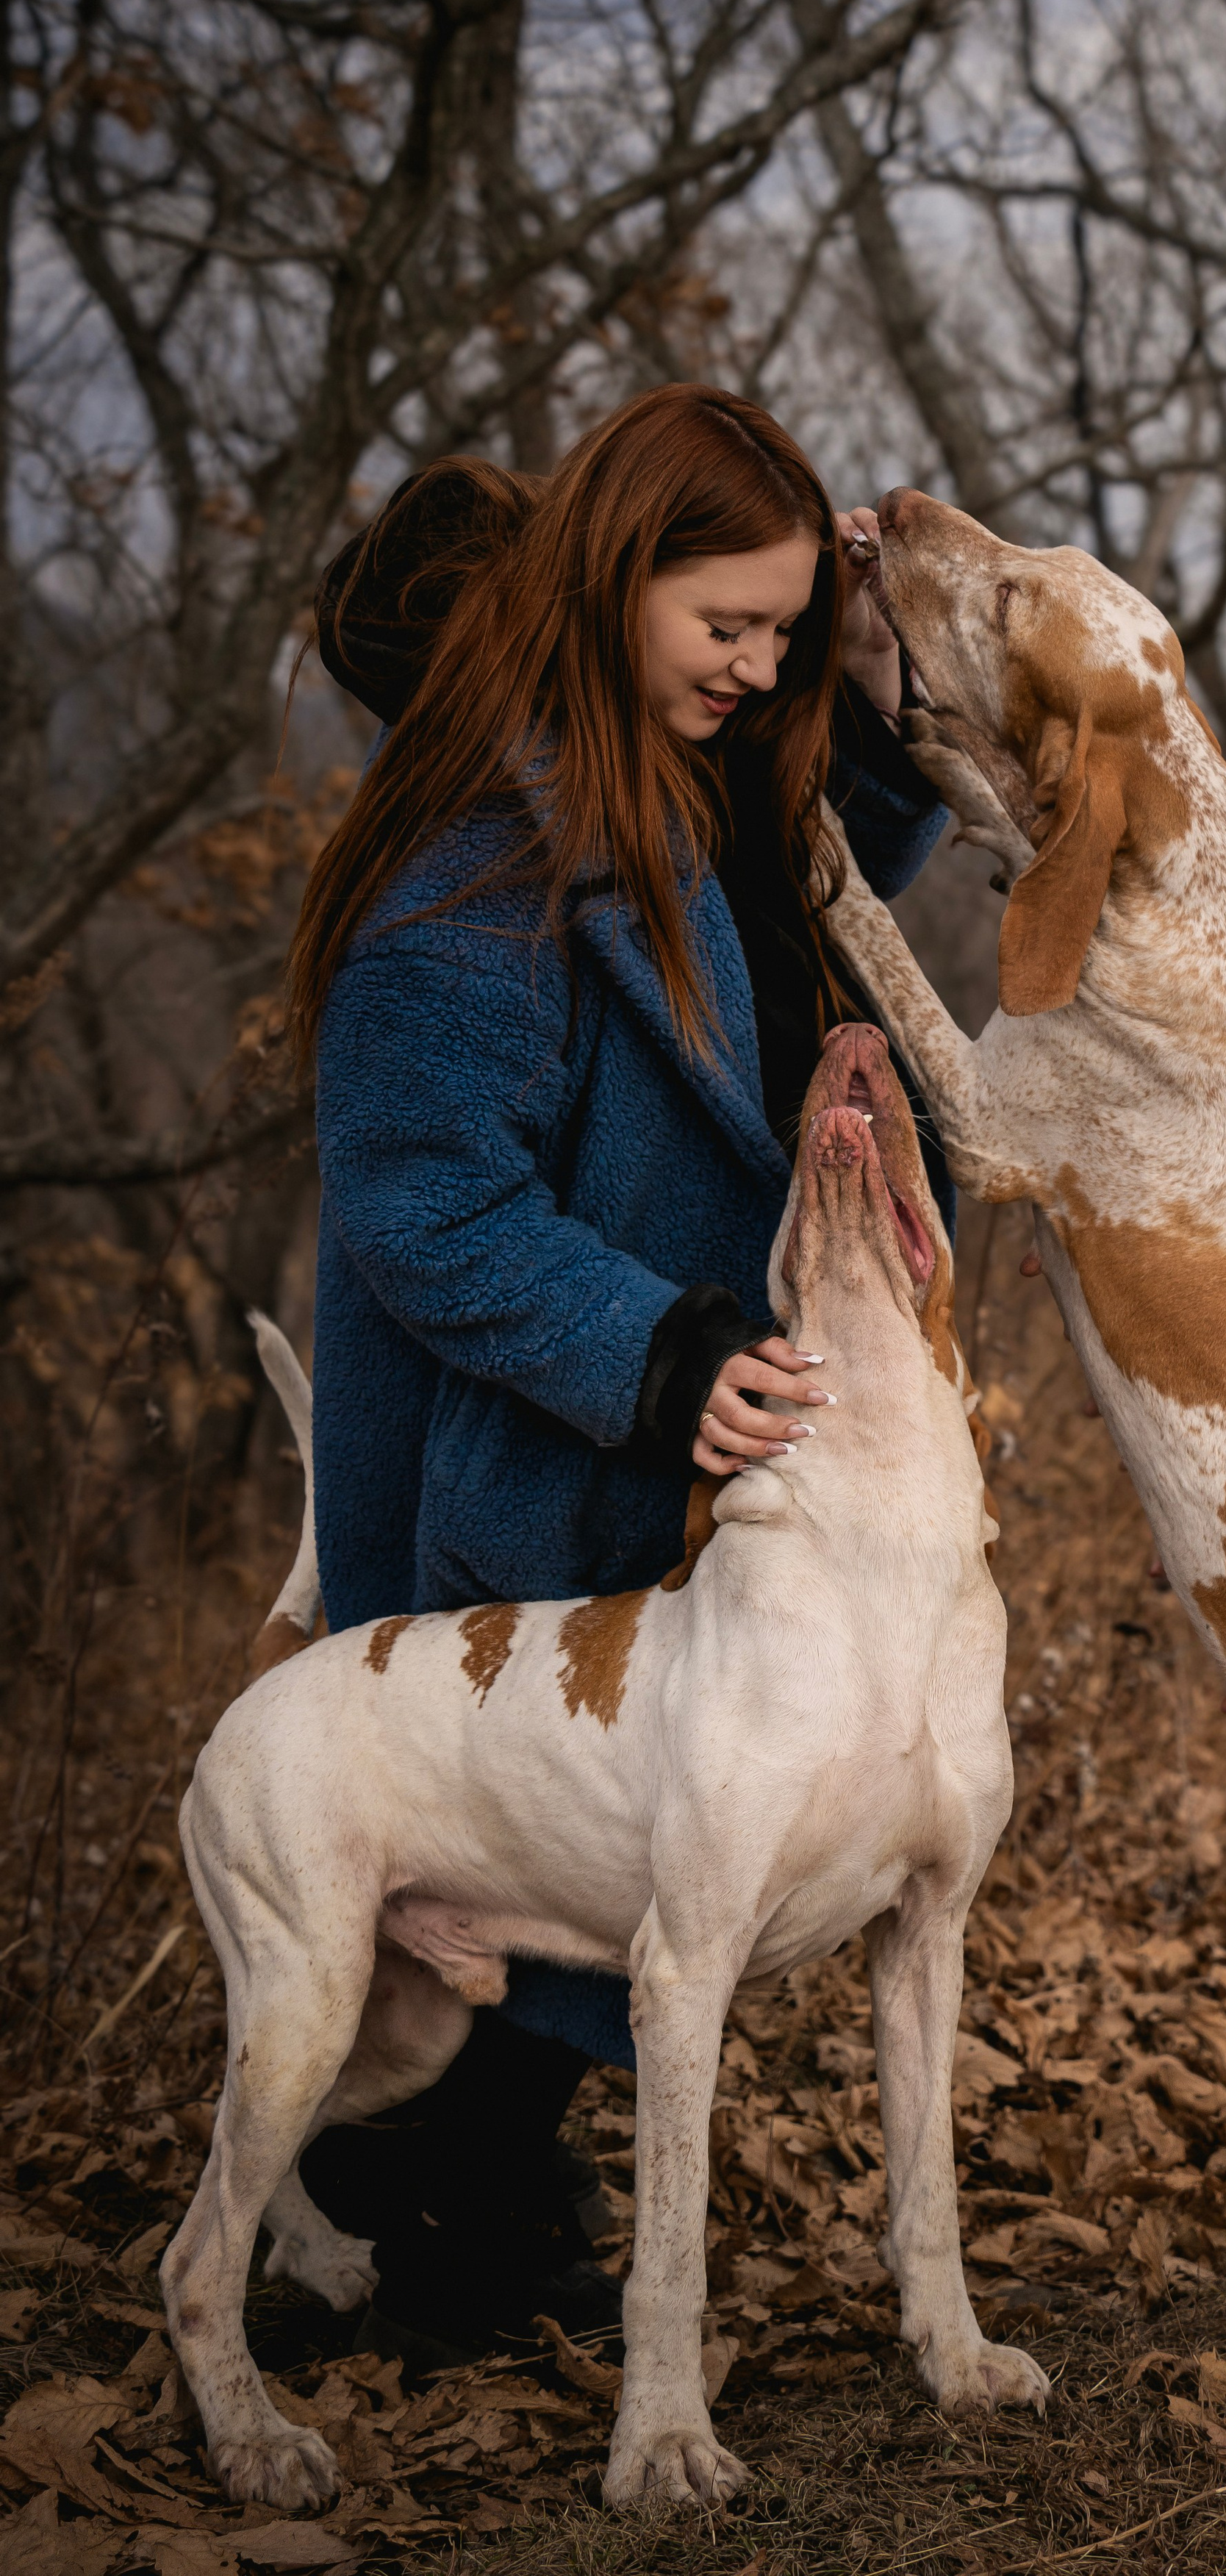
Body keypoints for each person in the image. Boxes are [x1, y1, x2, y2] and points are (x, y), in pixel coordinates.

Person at [282, 384, 948, 2364]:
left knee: (613, 1826)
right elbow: (421, 1206)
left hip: (677, 1413)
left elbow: (809, 884)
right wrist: (654, 1351)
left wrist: (874, 652)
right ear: (614, 574)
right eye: (720, 627)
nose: (754, 671)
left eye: (777, 634)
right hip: (536, 1419)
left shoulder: (689, 759)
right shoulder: (476, 859)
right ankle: (399, 2220)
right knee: (505, 1837)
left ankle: (465, 2201)